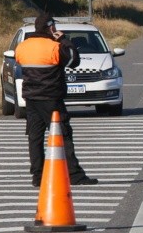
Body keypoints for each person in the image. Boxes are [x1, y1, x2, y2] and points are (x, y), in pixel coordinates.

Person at [15, 12, 98, 187]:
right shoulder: (54, 46)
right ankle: (75, 175)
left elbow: (21, 64)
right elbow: (73, 60)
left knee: (35, 138)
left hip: (31, 99)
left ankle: (38, 177)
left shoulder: (22, 46)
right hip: (51, 98)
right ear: (51, 27)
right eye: (54, 27)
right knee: (63, 135)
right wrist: (64, 40)